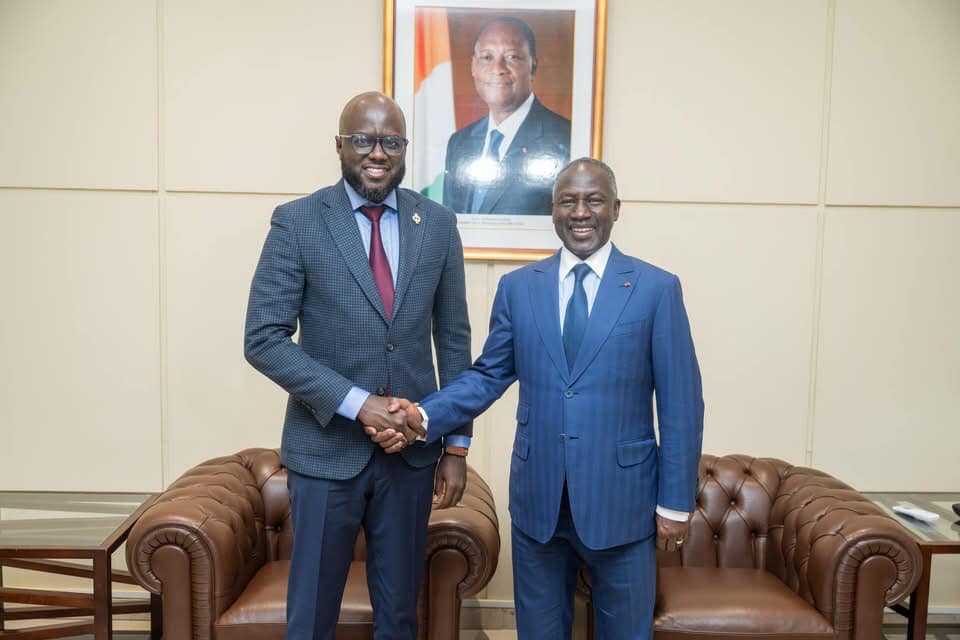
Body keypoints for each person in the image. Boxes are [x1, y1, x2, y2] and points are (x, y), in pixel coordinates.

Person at [374, 158, 704, 639]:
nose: (581, 212)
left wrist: (675, 503)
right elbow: (487, 376)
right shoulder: (518, 289)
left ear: (615, 209)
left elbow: (682, 404)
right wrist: (425, 415)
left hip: (624, 501)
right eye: (568, 201)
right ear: (553, 211)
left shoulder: (656, 289)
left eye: (593, 200)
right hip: (539, 502)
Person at [244, 91, 473, 640]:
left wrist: (455, 445)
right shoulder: (298, 221)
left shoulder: (437, 224)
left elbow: (456, 343)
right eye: (364, 139)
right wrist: (360, 404)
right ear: (341, 145)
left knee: (399, 616)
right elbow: (264, 339)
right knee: (313, 616)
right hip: (325, 454)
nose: (377, 152)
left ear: (404, 149)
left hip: (412, 458)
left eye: (391, 141)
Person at [442, 17, 571, 215]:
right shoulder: (459, 142)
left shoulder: (566, 139)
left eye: (512, 57)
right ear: (473, 67)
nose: (498, 69)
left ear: (533, 66)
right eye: (487, 57)